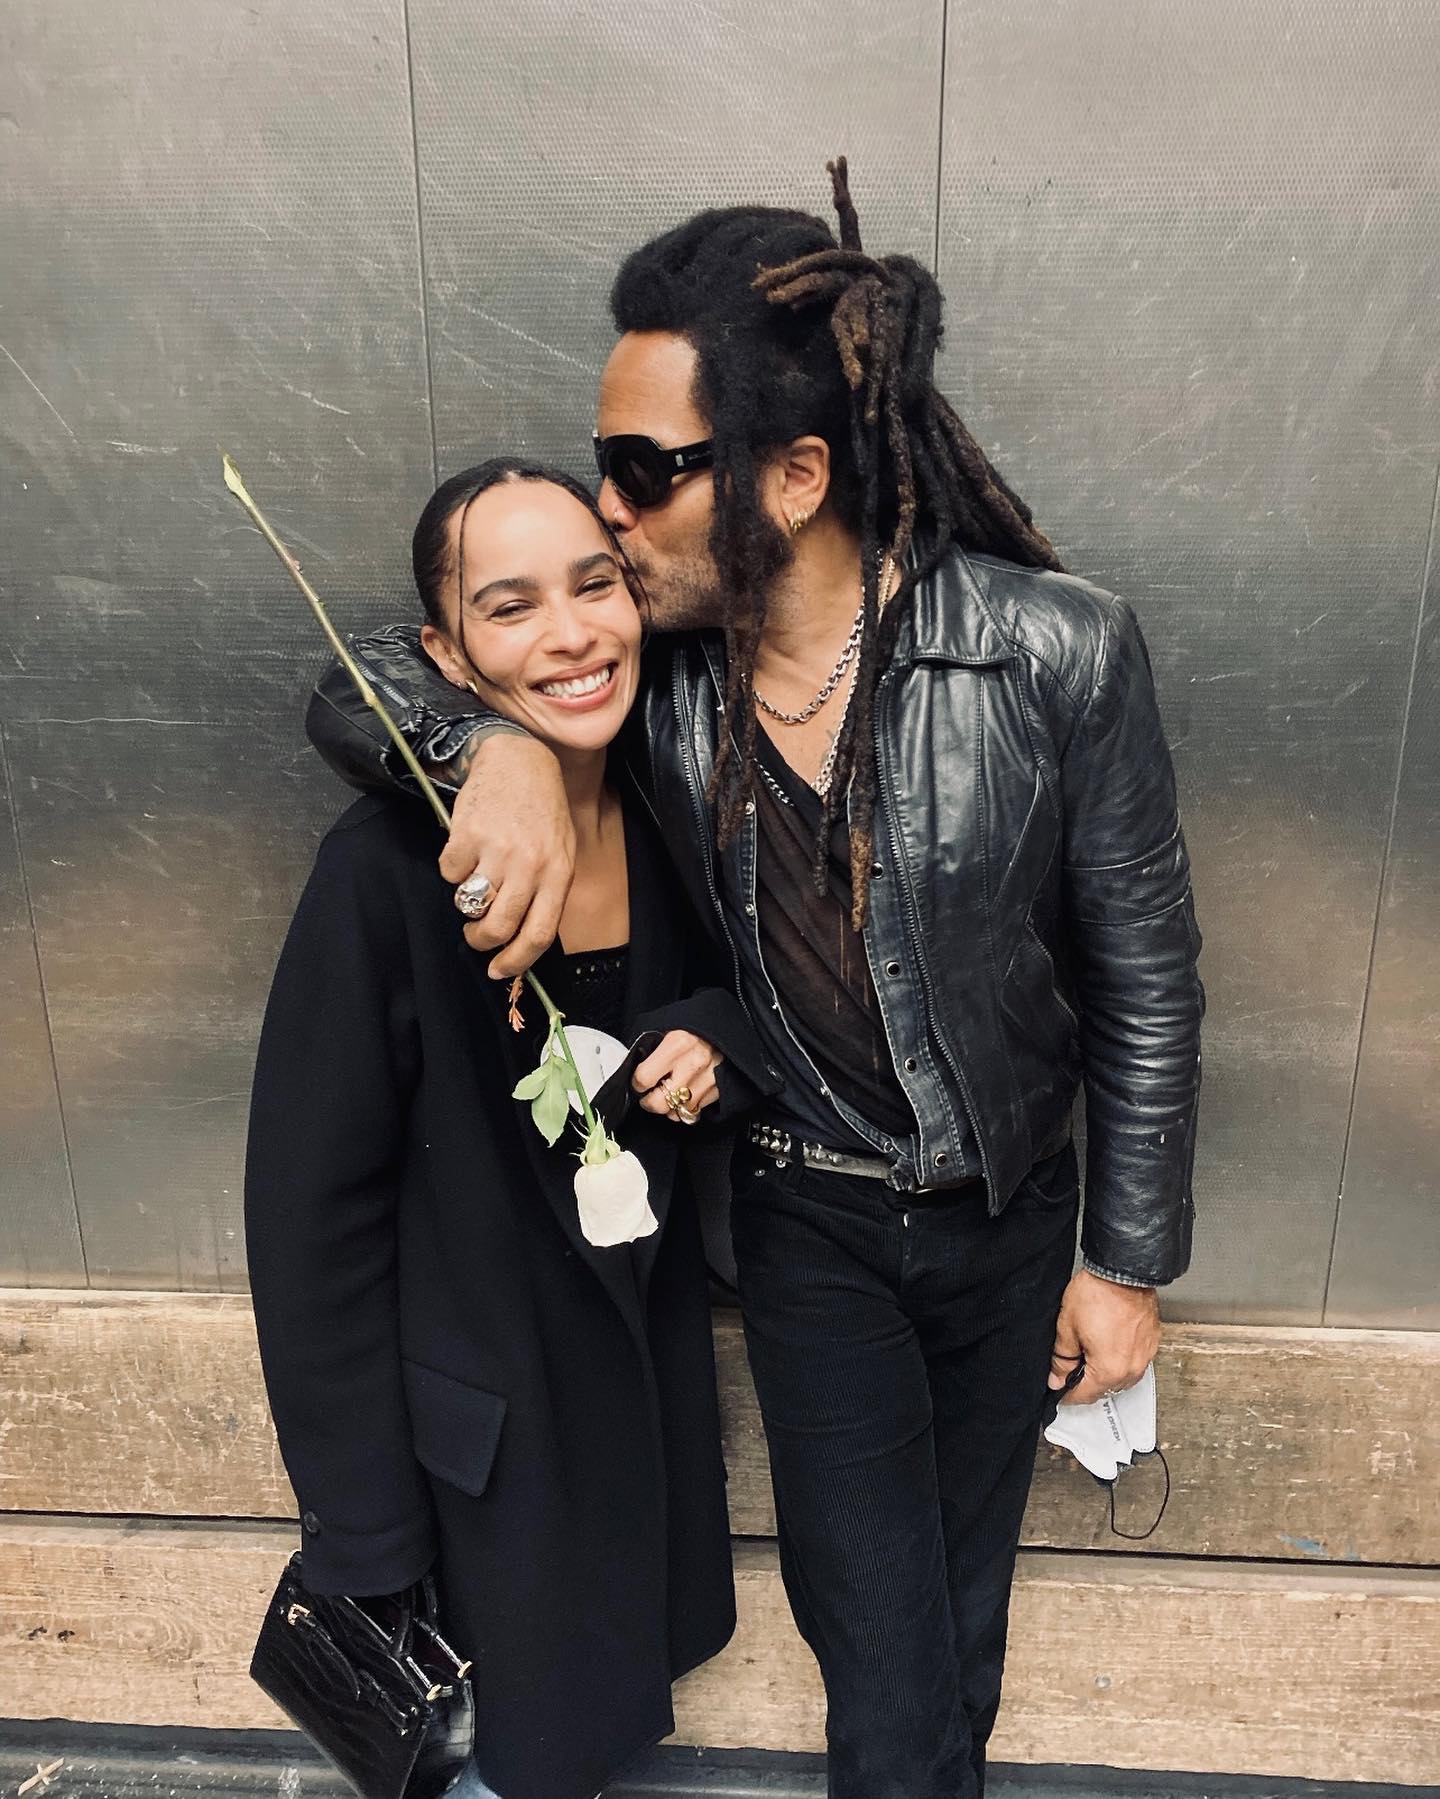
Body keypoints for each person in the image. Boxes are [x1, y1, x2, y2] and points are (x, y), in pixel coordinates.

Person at [305, 164, 1205, 1798]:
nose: (610, 517)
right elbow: (357, 667)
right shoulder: (653, 691)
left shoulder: (1055, 650)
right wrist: (488, 745)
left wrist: (1127, 1262)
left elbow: (1146, 971)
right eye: (605, 471)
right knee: (876, 1625)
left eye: (645, 477)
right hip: (807, 1221)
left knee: (961, 1611)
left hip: (1012, 1220)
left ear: (793, 474)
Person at [245, 459, 779, 1799]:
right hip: (472, 1484)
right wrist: (363, 1536)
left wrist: (715, 1031)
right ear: (444, 653)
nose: (572, 634)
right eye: (510, 606)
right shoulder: (384, 879)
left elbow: (742, 988)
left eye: (596, 586)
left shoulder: (667, 819)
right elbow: (312, 1228)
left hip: (629, 1439)